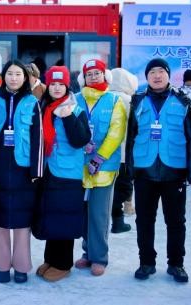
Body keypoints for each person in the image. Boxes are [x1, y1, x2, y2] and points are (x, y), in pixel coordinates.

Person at [126, 58, 191, 283]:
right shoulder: (137, 101)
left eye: (161, 71)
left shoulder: (182, 101)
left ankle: (176, 264)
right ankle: (146, 262)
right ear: (146, 77)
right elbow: (130, 137)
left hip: (174, 172)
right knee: (144, 221)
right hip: (144, 171)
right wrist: (129, 171)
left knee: (176, 221)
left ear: (168, 74)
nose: (156, 76)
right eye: (152, 72)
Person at [33, 66, 91, 282]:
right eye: (53, 84)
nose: (57, 88)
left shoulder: (76, 109)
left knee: (65, 217)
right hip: (48, 170)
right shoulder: (44, 107)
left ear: (67, 86)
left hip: (68, 174)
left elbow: (80, 139)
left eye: (61, 84)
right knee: (51, 216)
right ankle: (51, 259)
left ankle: (63, 263)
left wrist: (67, 118)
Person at [0, 60, 42, 284]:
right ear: (3, 76)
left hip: (23, 168)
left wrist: (36, 170)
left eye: (18, 74)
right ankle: (2, 266)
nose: (14, 78)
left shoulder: (32, 101)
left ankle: (21, 266)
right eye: (10, 73)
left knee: (22, 221)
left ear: (25, 77)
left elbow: (38, 138)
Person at [74, 59, 127, 276]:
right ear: (83, 78)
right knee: (83, 212)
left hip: (104, 166)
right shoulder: (75, 99)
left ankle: (99, 257)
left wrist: (99, 158)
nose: (93, 77)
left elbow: (116, 132)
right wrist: (81, 146)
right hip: (79, 165)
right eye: (89, 74)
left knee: (99, 212)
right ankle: (87, 253)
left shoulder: (115, 100)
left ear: (105, 75)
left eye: (97, 73)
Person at [109, 67, 139, 233]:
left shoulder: (105, 99)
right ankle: (118, 221)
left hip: (104, 155)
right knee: (123, 189)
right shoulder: (132, 102)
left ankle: (112, 220)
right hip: (125, 155)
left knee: (108, 190)